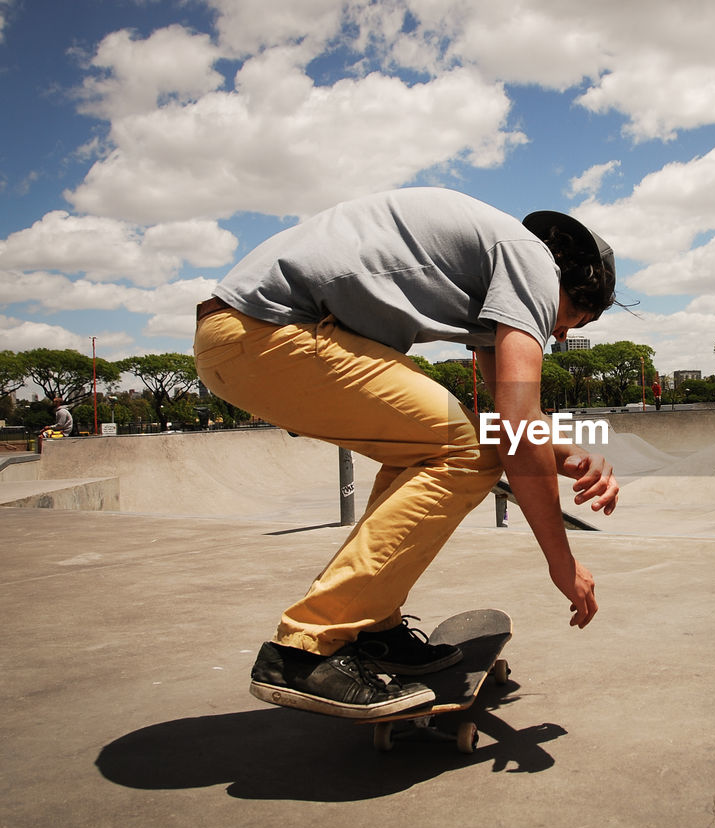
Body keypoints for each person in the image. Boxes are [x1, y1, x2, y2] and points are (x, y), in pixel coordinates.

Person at [193, 187, 621, 719]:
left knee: (434, 444)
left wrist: (564, 454)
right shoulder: (532, 263)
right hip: (270, 332)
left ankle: (373, 627)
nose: (556, 335)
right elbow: (511, 434)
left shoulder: (497, 265)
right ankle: (304, 648)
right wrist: (563, 563)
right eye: (571, 325)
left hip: (238, 336)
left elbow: (509, 418)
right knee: (470, 453)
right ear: (578, 294)